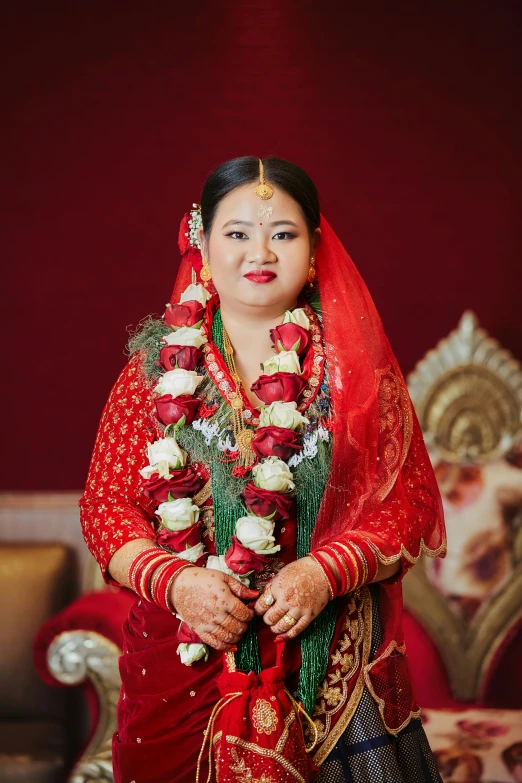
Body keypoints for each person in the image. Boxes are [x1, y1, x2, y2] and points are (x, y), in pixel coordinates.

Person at [80, 156, 447, 783]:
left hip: (333, 670)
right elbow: (105, 508)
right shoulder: (149, 374)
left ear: (313, 252)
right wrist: (177, 583)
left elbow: (408, 504)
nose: (261, 252)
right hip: (184, 671)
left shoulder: (357, 376)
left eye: (282, 233)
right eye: (237, 232)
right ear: (201, 245)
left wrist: (322, 573)